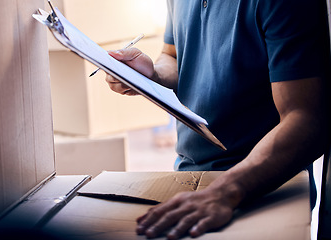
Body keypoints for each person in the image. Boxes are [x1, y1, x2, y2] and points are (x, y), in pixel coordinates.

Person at [105, 0, 330, 239]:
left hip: (260, 185)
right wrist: (151, 74)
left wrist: (224, 192)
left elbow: (307, 120)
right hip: (189, 176)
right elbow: (172, 54)